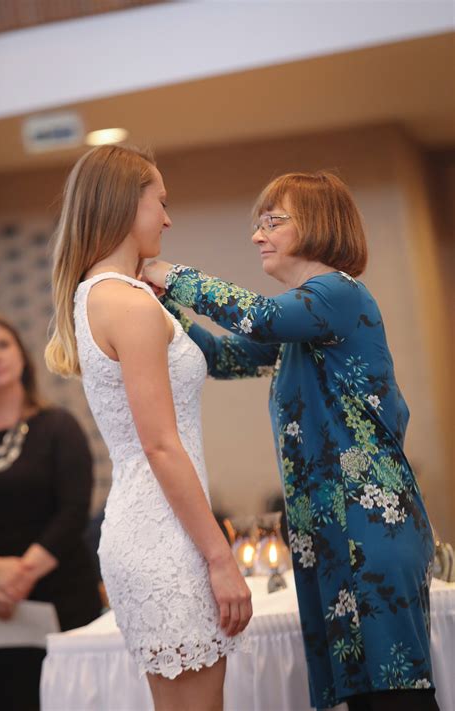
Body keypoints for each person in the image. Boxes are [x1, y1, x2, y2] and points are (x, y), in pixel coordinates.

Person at [143, 171, 439, 711]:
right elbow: (221, 356)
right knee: (366, 698)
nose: (258, 235)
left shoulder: (338, 293)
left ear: (320, 225)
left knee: (393, 699)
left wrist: (170, 273)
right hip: (332, 534)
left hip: (367, 530)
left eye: (272, 221)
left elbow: (259, 318)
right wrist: (154, 303)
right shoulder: (304, 325)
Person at [44, 144, 252, 711]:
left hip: (148, 524)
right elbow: (161, 445)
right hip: (166, 533)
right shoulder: (128, 305)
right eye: (159, 201)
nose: (167, 217)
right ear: (122, 206)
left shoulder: (100, 295)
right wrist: (219, 555)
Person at [0, 311, 102, 711]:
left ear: (21, 356)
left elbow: (73, 511)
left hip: (62, 592)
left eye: (3, 345)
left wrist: (20, 576)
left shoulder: (57, 425)